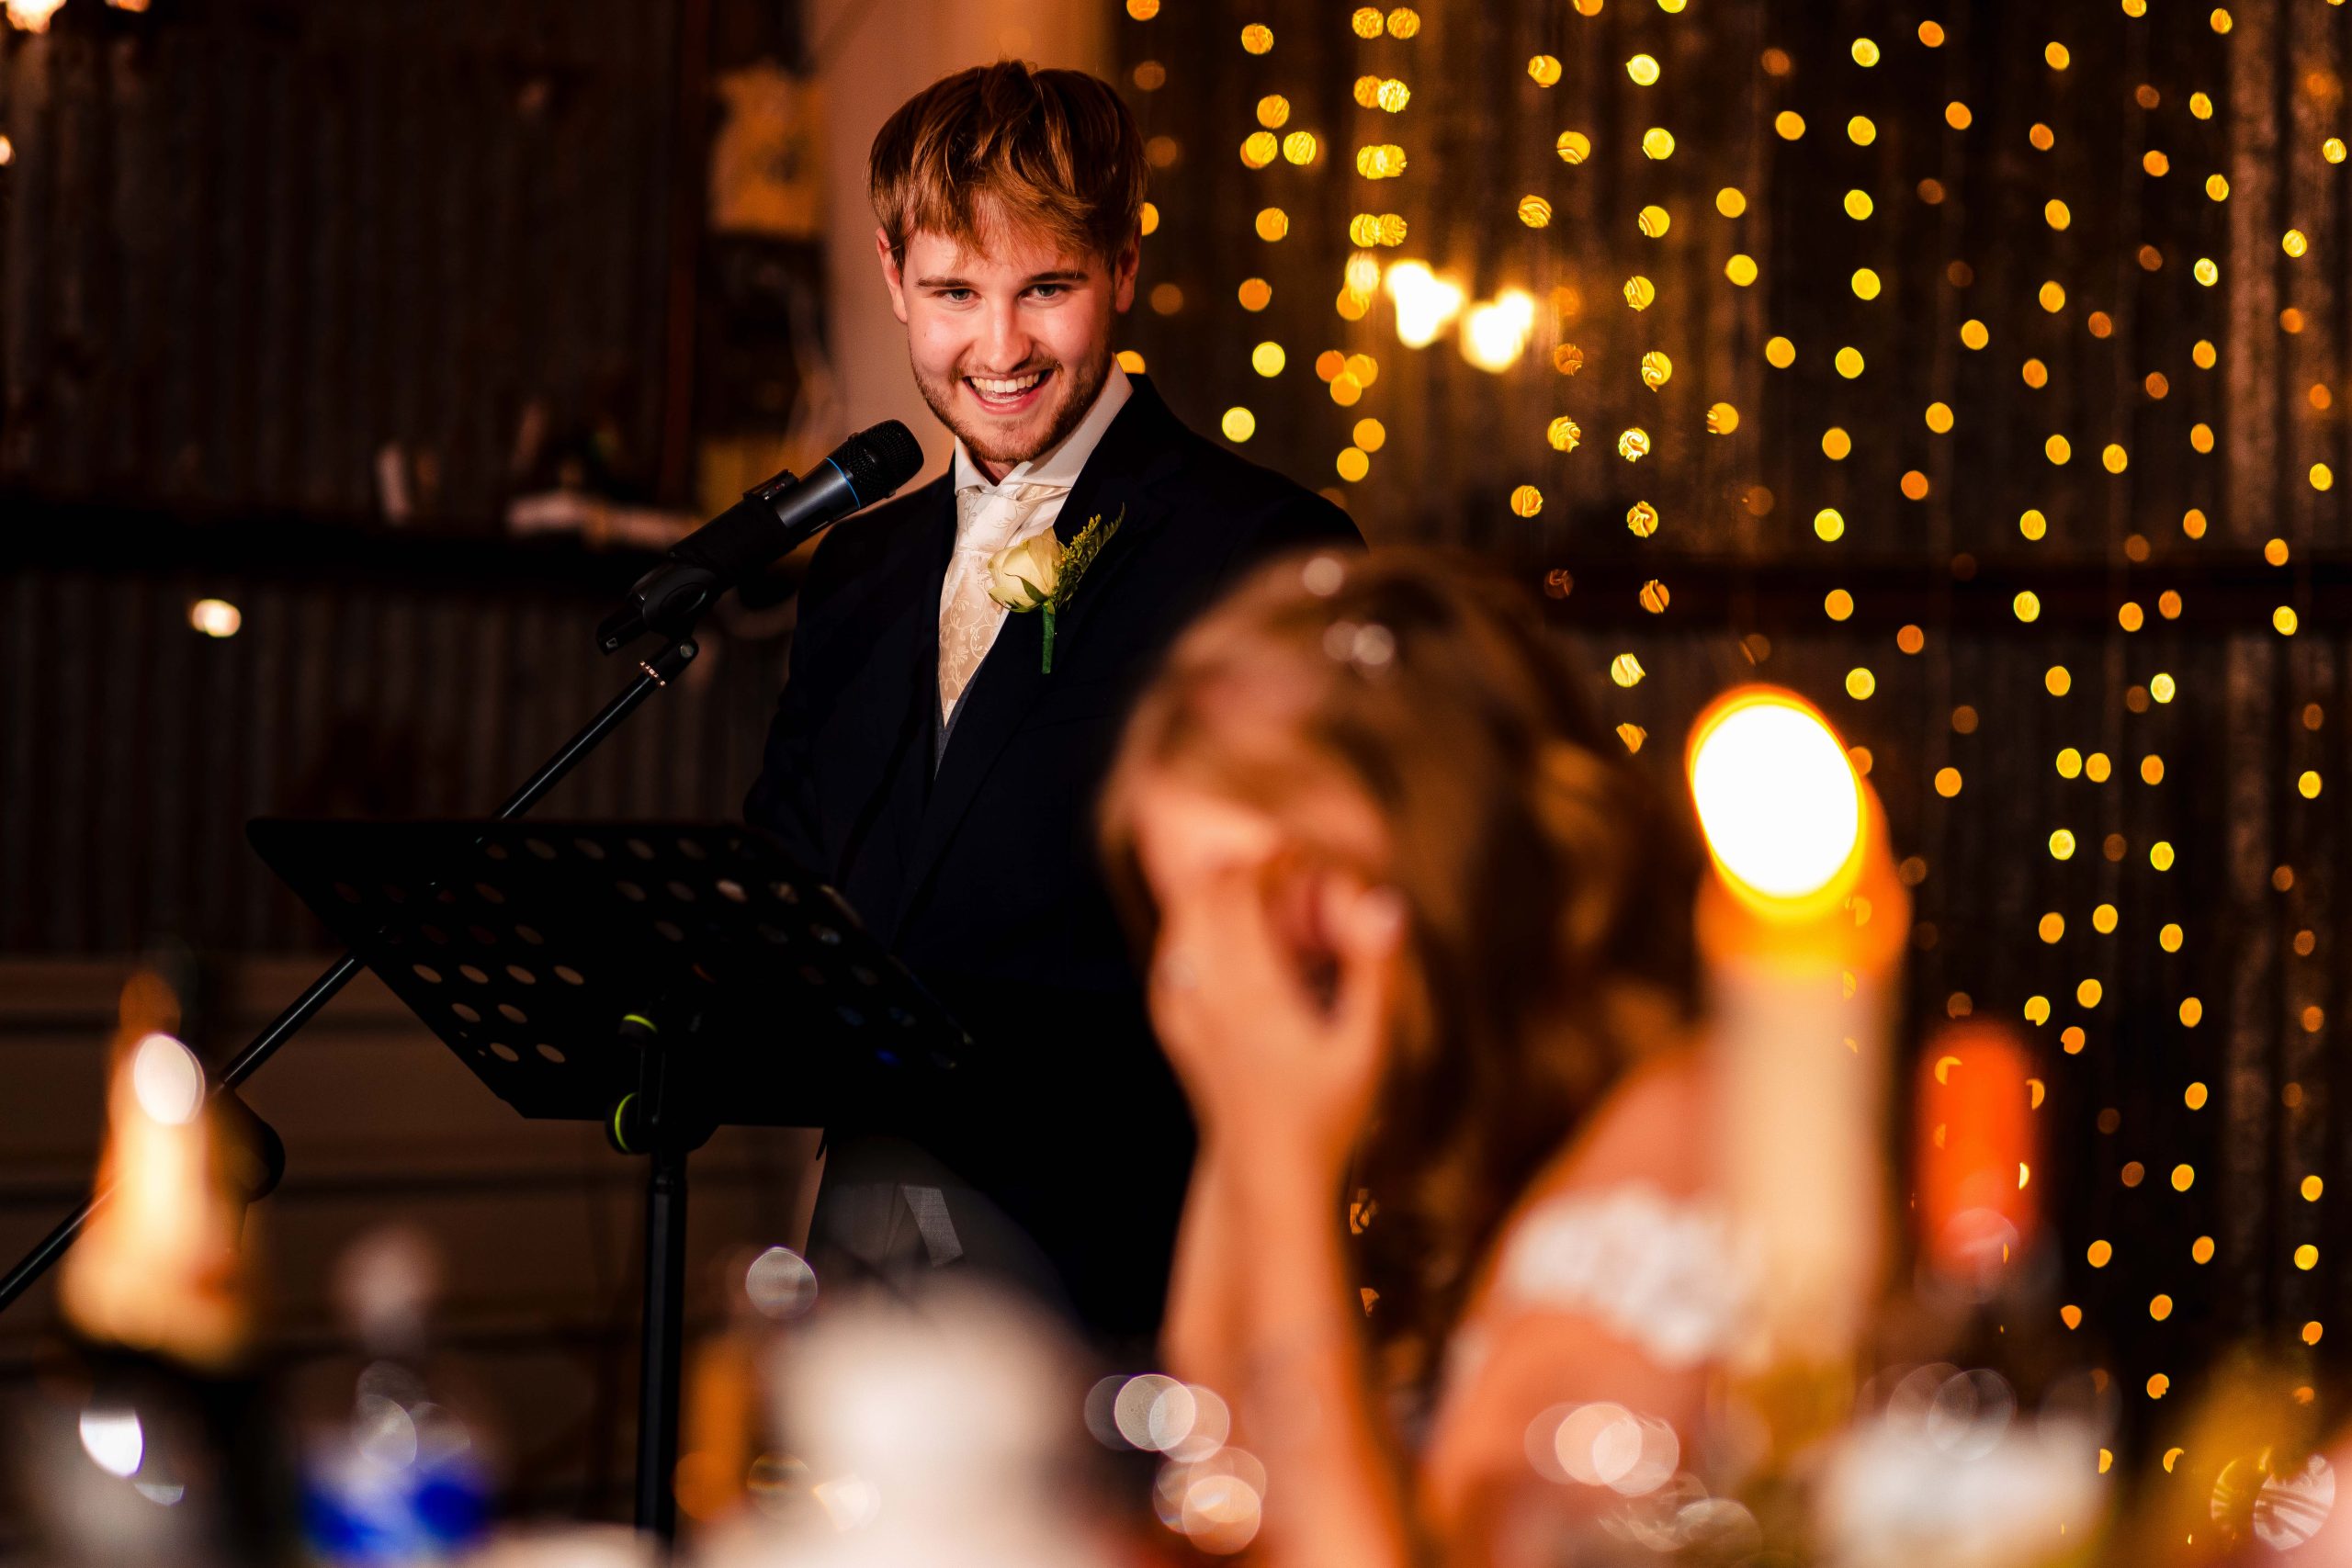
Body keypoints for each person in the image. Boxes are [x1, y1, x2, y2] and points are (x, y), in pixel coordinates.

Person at [743, 61, 1360, 1347]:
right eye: (955, 293)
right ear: (891, 273)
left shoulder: (1261, 551)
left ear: (1124, 271)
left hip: (1121, 1263)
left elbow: (1299, 948)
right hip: (863, 1256)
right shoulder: (858, 569)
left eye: (1049, 290)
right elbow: (790, 882)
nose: (1002, 347)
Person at [1100, 549, 1747, 1565]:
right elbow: (1223, 1492)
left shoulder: (1686, 1138)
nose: (1221, 990)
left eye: (1260, 917)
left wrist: (1277, 1159)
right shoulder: (1418, 1144)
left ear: (1438, 861)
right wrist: (1248, 1133)